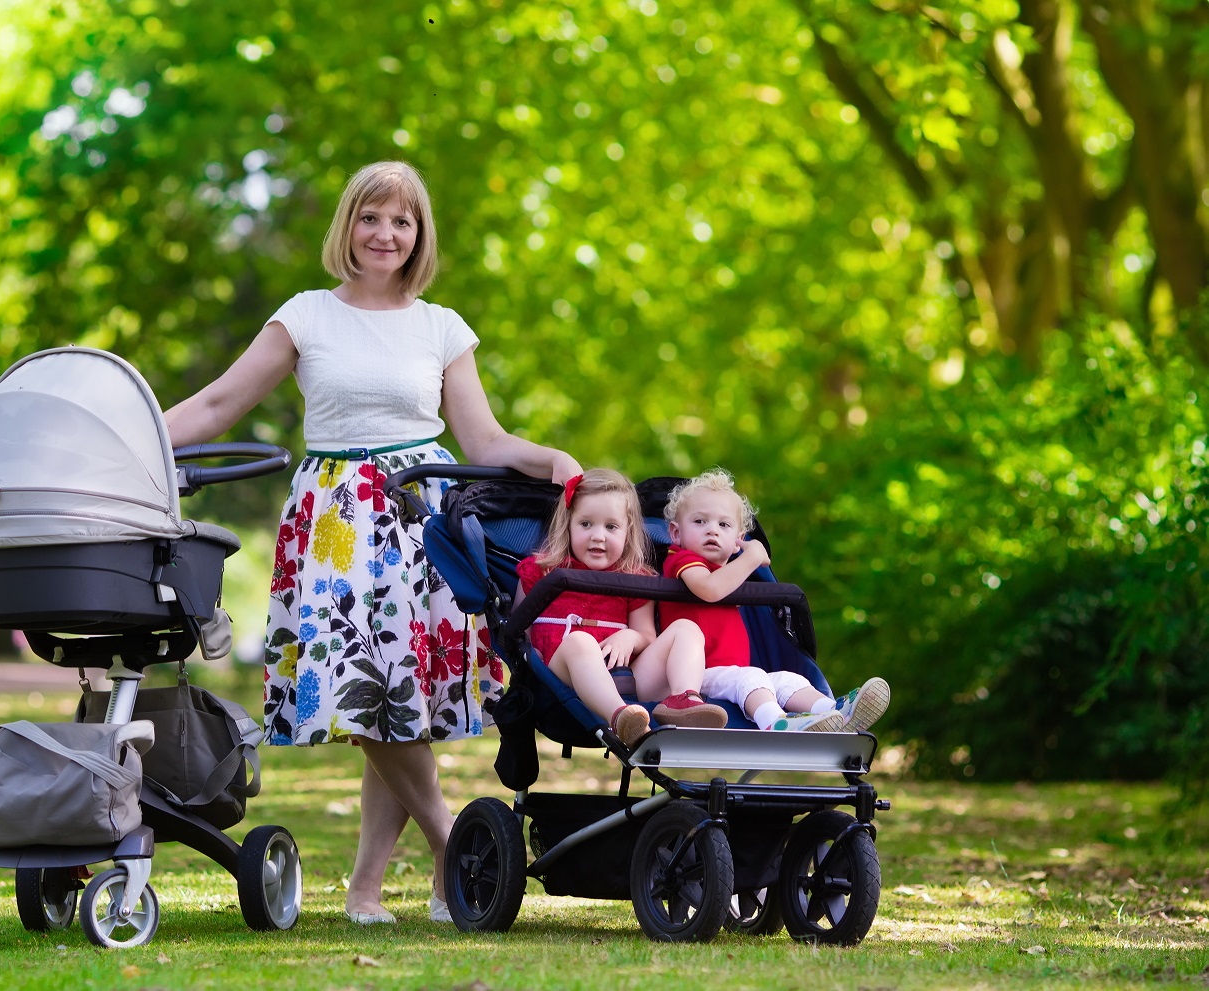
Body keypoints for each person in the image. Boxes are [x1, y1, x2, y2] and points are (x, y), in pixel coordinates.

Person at [163, 161, 581, 925]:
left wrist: (550, 459)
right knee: (366, 698)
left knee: (401, 710)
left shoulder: (441, 326)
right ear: (347, 227)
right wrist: (139, 434)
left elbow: (482, 436)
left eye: (402, 220)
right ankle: (456, 851)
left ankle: (365, 890)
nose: (386, 233)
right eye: (370, 217)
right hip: (336, 523)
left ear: (419, 234)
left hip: (426, 516)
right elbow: (221, 400)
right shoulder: (306, 316)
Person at [659, 468, 891, 732]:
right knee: (752, 677)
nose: (712, 530)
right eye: (700, 522)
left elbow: (722, 583)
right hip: (695, 678)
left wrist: (746, 559)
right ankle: (774, 723)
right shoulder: (681, 558)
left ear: (737, 541)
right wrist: (753, 556)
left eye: (723, 525)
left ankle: (835, 714)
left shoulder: (730, 574)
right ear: (676, 533)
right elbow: (709, 589)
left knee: (787, 680)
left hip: (733, 673)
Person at [513, 468, 729, 748]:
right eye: (586, 524)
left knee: (687, 629)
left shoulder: (636, 578)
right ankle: (619, 717)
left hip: (625, 676)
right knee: (580, 641)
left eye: (611, 527)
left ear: (628, 532)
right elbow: (519, 634)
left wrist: (631, 636)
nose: (598, 536)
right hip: (562, 680)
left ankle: (683, 698)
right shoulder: (541, 571)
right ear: (568, 525)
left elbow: (647, 635)